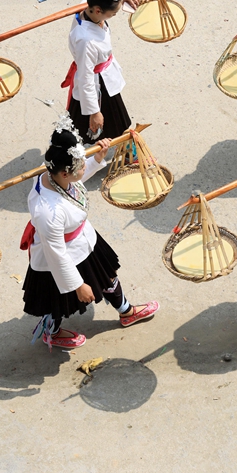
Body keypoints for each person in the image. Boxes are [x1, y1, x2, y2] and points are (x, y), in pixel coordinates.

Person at [21, 114, 159, 350]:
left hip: (84, 240)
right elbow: (57, 255)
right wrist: (77, 284)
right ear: (64, 173)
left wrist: (96, 159)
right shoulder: (48, 211)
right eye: (81, 164)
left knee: (108, 277)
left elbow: (78, 179)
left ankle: (125, 311)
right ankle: (51, 332)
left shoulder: (58, 177)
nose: (84, 166)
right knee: (59, 302)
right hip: (62, 257)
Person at [62, 0, 140, 144]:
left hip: (103, 75)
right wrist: (94, 111)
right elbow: (85, 78)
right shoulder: (85, 40)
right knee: (108, 123)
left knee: (88, 124)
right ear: (98, 10)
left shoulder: (88, 4)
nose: (113, 16)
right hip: (98, 84)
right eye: (112, 14)